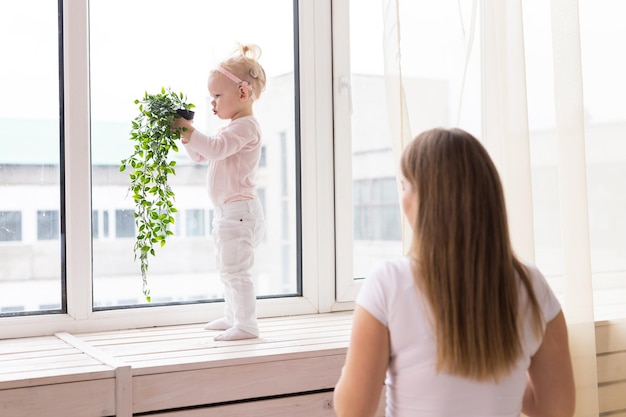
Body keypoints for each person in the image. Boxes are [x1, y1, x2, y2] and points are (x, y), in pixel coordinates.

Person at [333, 128, 575, 417]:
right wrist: (505, 368)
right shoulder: (532, 286)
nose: (402, 199)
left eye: (404, 186)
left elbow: (353, 411)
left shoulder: (388, 283)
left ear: (424, 202)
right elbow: (556, 410)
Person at [174, 44, 267, 341]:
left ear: (242, 94)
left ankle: (247, 324)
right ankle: (233, 317)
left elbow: (214, 148)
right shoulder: (230, 129)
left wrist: (188, 131)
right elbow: (203, 155)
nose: (212, 103)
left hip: (240, 213)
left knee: (236, 269)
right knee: (227, 267)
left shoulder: (245, 127)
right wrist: (186, 135)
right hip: (229, 213)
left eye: (217, 96)